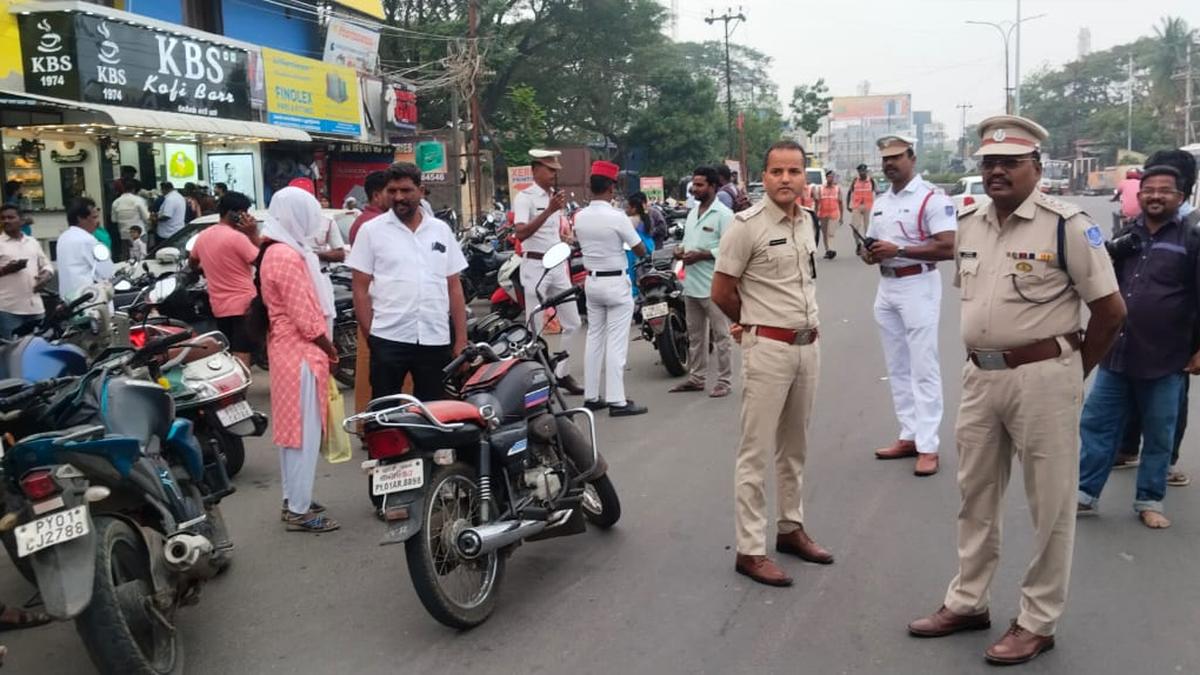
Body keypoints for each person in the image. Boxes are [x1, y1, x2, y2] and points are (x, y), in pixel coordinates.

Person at [907, 116, 1125, 665]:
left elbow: (1110, 311)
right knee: (974, 495)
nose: (997, 172)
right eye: (989, 163)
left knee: (1049, 504)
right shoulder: (971, 222)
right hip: (981, 376)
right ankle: (968, 600)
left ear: (1036, 168)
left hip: (1043, 377)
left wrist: (1072, 372)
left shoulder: (1065, 225)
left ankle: (1037, 620)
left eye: (1010, 162)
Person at [711, 140, 833, 588]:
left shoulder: (807, 223)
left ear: (805, 177)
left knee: (795, 446)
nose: (786, 179)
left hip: (807, 346)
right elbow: (722, 291)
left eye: (794, 171)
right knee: (755, 451)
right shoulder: (746, 226)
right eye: (777, 171)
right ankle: (750, 549)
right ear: (762, 177)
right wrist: (752, 327)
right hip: (768, 349)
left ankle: (791, 528)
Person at [1076, 165, 1196, 529]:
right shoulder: (1126, 234)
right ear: (1138, 195)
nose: (1155, 196)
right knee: (1096, 424)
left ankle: (1149, 499)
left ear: (1182, 197)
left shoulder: (1192, 238)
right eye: (1149, 190)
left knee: (1159, 433)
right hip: (1118, 352)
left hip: (1165, 357)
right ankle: (1084, 494)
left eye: (1165, 190)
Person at [860, 135, 956, 477]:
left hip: (918, 284)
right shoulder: (882, 201)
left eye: (896, 157)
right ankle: (909, 435)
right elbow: (874, 245)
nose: (889, 164)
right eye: (885, 159)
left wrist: (898, 251)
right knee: (897, 366)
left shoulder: (931, 198)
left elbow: (948, 247)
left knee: (923, 366)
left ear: (912, 158)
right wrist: (870, 253)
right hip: (887, 286)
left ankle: (929, 445)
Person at [1112, 149, 1199, 487]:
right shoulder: (1137, 215)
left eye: (1166, 184)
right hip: (1133, 327)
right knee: (1131, 381)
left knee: (1170, 398)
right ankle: (1128, 446)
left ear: (1183, 187)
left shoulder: (1192, 226)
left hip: (1180, 326)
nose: (1155, 192)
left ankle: (1166, 460)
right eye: (1150, 182)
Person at [257, 187, 340, 533]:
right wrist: (329, 347)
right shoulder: (287, 257)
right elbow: (306, 317)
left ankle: (294, 500)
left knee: (293, 433)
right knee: (303, 433)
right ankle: (301, 510)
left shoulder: (274, 251)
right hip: (301, 353)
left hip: (286, 351)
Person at [348, 163, 467, 402]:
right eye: (392, 191)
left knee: (432, 411)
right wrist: (372, 337)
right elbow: (359, 290)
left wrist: (461, 340)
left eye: (405, 190)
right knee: (385, 413)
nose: (398, 197)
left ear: (421, 191)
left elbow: (454, 287)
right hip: (389, 338)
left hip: (435, 338)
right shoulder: (372, 231)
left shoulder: (440, 231)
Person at [573, 160, 648, 416]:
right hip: (615, 283)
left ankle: (592, 396)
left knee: (594, 339)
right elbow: (640, 249)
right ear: (611, 188)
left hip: (591, 282)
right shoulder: (617, 217)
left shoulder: (579, 217)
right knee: (616, 343)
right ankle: (617, 400)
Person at [511, 149, 585, 395]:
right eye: (549, 169)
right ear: (535, 170)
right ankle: (535, 381)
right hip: (534, 266)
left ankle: (560, 373)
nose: (554, 174)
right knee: (534, 328)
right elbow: (520, 233)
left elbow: (549, 233)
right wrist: (549, 211)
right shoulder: (525, 198)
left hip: (557, 265)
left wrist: (564, 237)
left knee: (573, 322)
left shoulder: (555, 197)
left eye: (556, 170)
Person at [669, 166, 734, 398]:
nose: (694, 188)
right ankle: (697, 378)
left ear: (713, 187)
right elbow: (689, 242)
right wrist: (681, 251)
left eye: (699, 185)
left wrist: (703, 255)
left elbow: (730, 249)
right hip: (691, 285)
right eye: (694, 184)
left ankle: (724, 381)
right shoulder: (692, 212)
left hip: (714, 285)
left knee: (721, 336)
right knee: (695, 337)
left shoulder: (724, 215)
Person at [189, 192, 261, 367]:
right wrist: (253, 234)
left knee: (229, 351)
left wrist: (206, 269)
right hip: (243, 304)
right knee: (242, 352)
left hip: (219, 305)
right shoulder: (238, 238)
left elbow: (192, 263)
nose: (247, 217)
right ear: (232, 213)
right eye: (244, 212)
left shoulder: (203, 237)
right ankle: (241, 393)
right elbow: (263, 261)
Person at [0, 204, 52, 338]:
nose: (6, 221)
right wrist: (7, 269)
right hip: (9, 309)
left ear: (21, 221)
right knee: (13, 352)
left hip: (35, 307)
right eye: (3, 218)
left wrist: (45, 276)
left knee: (38, 348)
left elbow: (46, 265)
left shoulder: (32, 242)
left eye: (10, 217)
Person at [56, 197, 114, 301]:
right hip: (89, 300)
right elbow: (107, 272)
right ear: (80, 218)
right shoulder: (88, 240)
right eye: (94, 217)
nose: (97, 222)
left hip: (67, 298)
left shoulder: (63, 237)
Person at [111, 178, 150, 258]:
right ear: (133, 189)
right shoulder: (138, 200)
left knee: (127, 258)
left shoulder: (116, 202)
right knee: (141, 256)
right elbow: (147, 217)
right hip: (140, 234)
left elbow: (114, 219)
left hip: (124, 235)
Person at [349, 170, 389, 245]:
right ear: (376, 196)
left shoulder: (362, 219)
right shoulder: (376, 223)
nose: (397, 196)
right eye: (391, 191)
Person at [847, 164, 876, 253]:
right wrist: (848, 205)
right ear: (858, 172)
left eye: (864, 171)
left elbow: (876, 193)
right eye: (861, 171)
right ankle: (858, 244)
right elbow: (849, 193)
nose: (862, 173)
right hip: (857, 206)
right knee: (855, 227)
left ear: (866, 171)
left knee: (868, 229)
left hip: (868, 207)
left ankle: (867, 246)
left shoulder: (871, 181)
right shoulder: (855, 181)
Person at [816, 170, 843, 259]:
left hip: (834, 214)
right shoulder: (820, 188)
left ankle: (831, 249)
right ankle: (828, 250)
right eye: (829, 177)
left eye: (832, 177)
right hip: (823, 214)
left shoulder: (837, 189)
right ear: (826, 177)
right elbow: (817, 202)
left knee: (830, 233)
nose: (831, 178)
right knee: (825, 234)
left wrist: (841, 217)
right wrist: (816, 215)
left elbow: (840, 203)